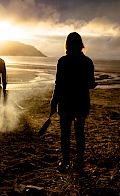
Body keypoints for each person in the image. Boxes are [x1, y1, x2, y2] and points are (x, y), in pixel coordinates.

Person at [50, 32, 97, 172]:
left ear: (67, 44)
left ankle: (65, 162)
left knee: (65, 133)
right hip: (81, 102)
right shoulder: (87, 62)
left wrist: (54, 101)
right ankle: (79, 162)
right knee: (79, 132)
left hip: (66, 102)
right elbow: (90, 83)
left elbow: (58, 84)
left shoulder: (63, 61)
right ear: (81, 44)